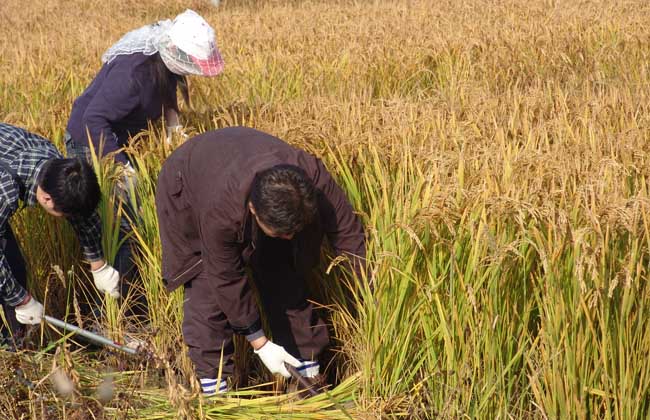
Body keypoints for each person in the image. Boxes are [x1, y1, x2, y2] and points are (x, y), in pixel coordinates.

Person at [155, 127, 366, 395]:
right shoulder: (221, 211)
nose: (290, 237)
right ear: (254, 210)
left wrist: (367, 295)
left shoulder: (313, 178)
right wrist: (260, 343)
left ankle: (307, 377)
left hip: (240, 157)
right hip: (187, 182)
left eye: (294, 230)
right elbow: (225, 277)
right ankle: (214, 390)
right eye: (281, 232)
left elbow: (349, 235)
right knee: (206, 288)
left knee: (282, 271)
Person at [64, 9, 224, 284]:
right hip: (90, 141)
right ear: (176, 52)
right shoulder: (133, 75)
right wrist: (123, 170)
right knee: (126, 223)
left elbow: (167, 88)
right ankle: (123, 297)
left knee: (143, 208)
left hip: (120, 138)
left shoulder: (161, 62)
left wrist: (174, 129)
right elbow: (94, 119)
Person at [0, 123, 117, 346]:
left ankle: (16, 344)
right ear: (46, 199)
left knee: (14, 270)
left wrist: (98, 265)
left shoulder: (59, 168)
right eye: (62, 213)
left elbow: (82, 214)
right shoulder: (6, 190)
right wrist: (21, 300)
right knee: (9, 272)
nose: (66, 218)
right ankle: (10, 346)